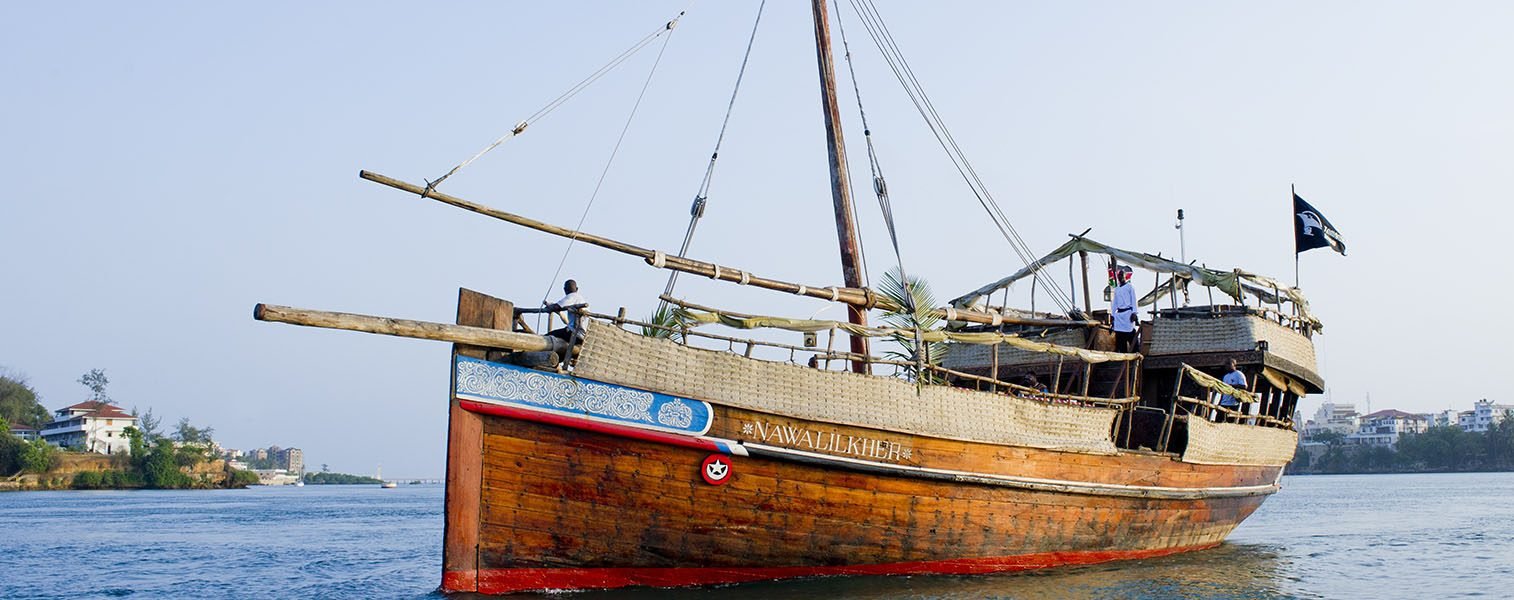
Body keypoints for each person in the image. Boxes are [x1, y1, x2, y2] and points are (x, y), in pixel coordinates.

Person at [544, 279, 589, 343]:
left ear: (565, 289)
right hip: (584, 335)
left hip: (575, 334)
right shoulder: (581, 299)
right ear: (577, 289)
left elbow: (557, 306)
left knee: (548, 336)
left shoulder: (571, 296)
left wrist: (549, 306)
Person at [1110, 266, 1139, 353]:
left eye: (1122, 275)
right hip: (1119, 314)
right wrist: (1112, 315)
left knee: (1131, 334)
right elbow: (1115, 302)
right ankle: (1122, 354)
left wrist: (1134, 312)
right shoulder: (1117, 289)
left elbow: (1134, 300)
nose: (1120, 277)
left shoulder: (1130, 287)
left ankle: (1135, 352)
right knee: (1120, 337)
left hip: (1128, 313)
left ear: (1125, 276)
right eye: (1119, 275)